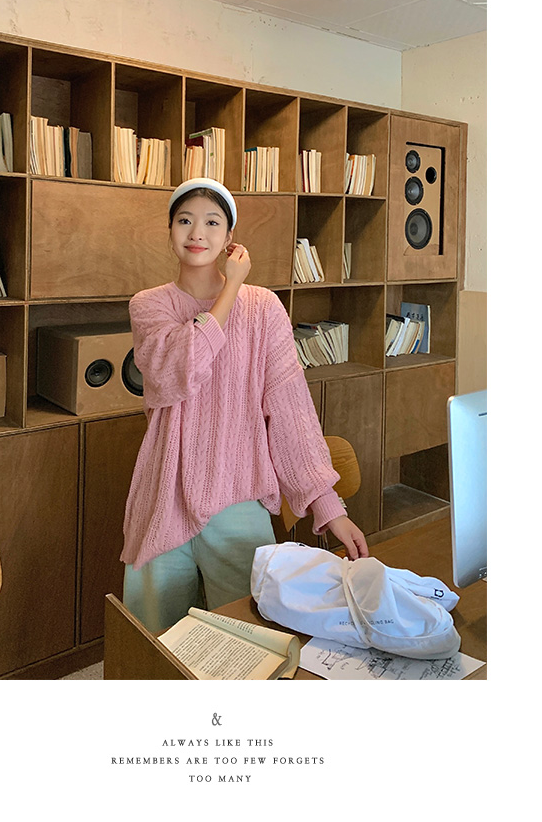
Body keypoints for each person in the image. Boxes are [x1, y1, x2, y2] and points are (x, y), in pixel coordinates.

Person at [121, 177, 368, 634]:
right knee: (154, 639)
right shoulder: (149, 306)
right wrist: (231, 287)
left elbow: (290, 409)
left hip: (237, 494)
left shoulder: (263, 308)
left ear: (229, 237)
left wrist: (327, 505)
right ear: (170, 230)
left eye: (212, 222)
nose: (198, 232)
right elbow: (179, 370)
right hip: (163, 495)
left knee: (248, 637)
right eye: (185, 220)